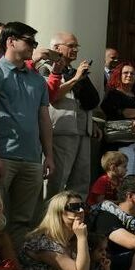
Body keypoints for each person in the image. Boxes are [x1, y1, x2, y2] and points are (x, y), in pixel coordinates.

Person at [0, 21, 54, 245]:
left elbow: (44, 119)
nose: (34, 46)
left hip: (31, 159)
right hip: (3, 156)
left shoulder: (38, 80)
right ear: (11, 42)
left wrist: (48, 155)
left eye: (35, 42)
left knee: (24, 220)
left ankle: (17, 267)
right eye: (29, 41)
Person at [39, 32, 97, 200]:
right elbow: (51, 96)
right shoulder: (46, 67)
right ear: (56, 48)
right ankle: (49, 220)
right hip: (61, 131)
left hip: (82, 130)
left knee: (81, 180)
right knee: (57, 180)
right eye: (71, 46)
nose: (75, 50)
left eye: (76, 46)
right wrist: (76, 79)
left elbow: (87, 101)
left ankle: (74, 216)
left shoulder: (72, 70)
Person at [101, 61, 135, 176]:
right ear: (119, 75)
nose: (129, 75)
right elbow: (121, 112)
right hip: (122, 140)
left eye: (132, 73)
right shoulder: (113, 95)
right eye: (125, 73)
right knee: (125, 175)